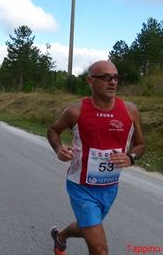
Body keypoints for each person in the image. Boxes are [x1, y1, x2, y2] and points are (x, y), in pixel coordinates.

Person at [47, 60, 145, 255]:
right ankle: (63, 237)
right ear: (90, 81)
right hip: (81, 186)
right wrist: (58, 148)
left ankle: (61, 237)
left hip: (110, 187)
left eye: (116, 77)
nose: (113, 82)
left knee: (88, 227)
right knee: (99, 248)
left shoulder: (129, 110)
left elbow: (140, 145)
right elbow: (53, 131)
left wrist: (131, 157)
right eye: (106, 77)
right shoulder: (76, 111)